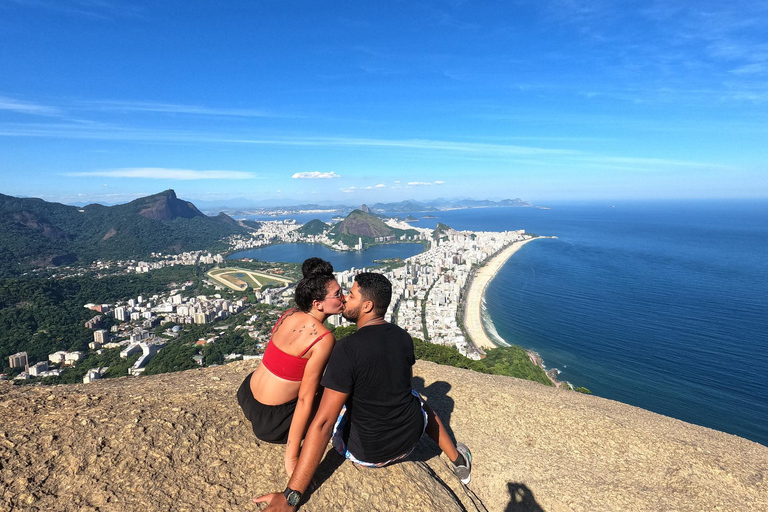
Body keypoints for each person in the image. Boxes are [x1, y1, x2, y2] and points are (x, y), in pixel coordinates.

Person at [255, 272, 472, 511]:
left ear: (367, 306)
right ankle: (458, 460)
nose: (345, 299)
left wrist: (291, 497)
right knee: (417, 400)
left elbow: (324, 423)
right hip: (410, 441)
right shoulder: (403, 337)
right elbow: (406, 387)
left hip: (367, 455)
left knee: (327, 402)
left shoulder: (347, 349)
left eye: (351, 294)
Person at [237, 257, 344, 477]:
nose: (343, 298)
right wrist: (292, 458)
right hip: (271, 424)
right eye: (337, 295)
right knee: (336, 396)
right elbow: (305, 399)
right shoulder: (323, 339)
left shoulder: (289, 314)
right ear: (318, 304)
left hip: (246, 395)